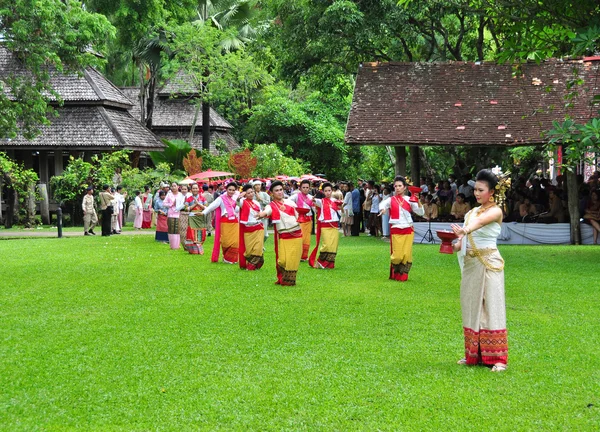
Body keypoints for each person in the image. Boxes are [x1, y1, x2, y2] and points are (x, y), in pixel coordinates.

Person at [451, 169, 508, 372]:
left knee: (492, 305)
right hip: (471, 263)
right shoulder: (470, 212)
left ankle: (498, 358)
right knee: (471, 305)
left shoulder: (496, 211)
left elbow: (480, 223)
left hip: (489, 261)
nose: (476, 193)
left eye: (481, 190)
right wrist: (454, 244)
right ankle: (473, 355)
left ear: (491, 192)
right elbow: (463, 241)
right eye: (475, 189)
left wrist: (465, 230)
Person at [378, 176, 424, 281]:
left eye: (400, 186)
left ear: (405, 188)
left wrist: (418, 201)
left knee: (406, 254)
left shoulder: (409, 200)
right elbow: (382, 204)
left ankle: (402, 276)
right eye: (396, 186)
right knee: (397, 255)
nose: (397, 188)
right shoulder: (391, 199)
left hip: (408, 229)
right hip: (396, 229)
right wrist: (383, 210)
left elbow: (421, 212)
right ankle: (396, 273)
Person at [258, 181, 303, 285]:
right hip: (284, 236)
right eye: (276, 191)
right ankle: (283, 277)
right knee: (282, 260)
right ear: (272, 193)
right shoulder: (271, 205)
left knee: (293, 259)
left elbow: (298, 215)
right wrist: (262, 214)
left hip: (296, 233)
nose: (279, 192)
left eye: (280, 190)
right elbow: (267, 211)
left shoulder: (290, 203)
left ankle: (289, 280)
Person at [202, 182, 240, 264]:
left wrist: (239, 203)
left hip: (234, 222)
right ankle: (226, 258)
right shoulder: (221, 198)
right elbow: (212, 206)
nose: (231, 192)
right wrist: (203, 213)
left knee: (235, 241)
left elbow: (237, 210)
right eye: (230, 190)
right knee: (226, 240)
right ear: (226, 189)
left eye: (233, 190)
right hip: (225, 221)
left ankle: (233, 258)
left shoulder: (235, 199)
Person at [309, 182, 342, 269]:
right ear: (323, 192)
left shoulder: (335, 201)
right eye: (326, 191)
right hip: (325, 225)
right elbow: (313, 201)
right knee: (326, 244)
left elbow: (340, 212)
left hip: (334, 225)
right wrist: (314, 198)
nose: (328, 192)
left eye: (329, 190)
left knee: (334, 245)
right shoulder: (321, 201)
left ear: (332, 191)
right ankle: (321, 262)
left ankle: (330, 263)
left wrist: (341, 207)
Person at [237, 184, 265, 270]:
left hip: (258, 226)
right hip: (248, 228)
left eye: (252, 192)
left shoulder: (256, 203)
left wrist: (260, 215)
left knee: (257, 247)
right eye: (249, 193)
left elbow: (261, 214)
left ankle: (251, 266)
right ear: (245, 194)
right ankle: (258, 261)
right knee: (248, 251)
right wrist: (239, 197)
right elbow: (237, 202)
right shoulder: (243, 202)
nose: (251, 194)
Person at [289, 179, 314, 261]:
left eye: (307, 187)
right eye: (304, 187)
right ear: (300, 188)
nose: (306, 189)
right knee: (300, 237)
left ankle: (304, 256)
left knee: (307, 238)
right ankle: (297, 255)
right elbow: (288, 202)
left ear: (309, 188)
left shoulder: (311, 198)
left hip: (309, 219)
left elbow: (315, 209)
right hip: (300, 219)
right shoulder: (296, 196)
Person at [183, 183, 208, 254]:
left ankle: (199, 249)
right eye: (193, 188)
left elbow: (206, 208)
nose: (195, 190)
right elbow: (186, 209)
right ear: (191, 190)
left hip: (200, 217)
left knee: (200, 232)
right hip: (192, 217)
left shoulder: (203, 198)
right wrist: (194, 204)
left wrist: (199, 204)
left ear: (198, 189)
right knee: (192, 232)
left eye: (196, 188)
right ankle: (193, 250)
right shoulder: (189, 199)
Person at [163, 182, 185, 250]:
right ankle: (172, 245)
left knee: (177, 229)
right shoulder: (169, 195)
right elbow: (164, 203)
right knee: (171, 229)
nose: (173, 187)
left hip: (178, 213)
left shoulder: (181, 195)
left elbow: (184, 204)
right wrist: (172, 204)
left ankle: (177, 245)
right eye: (172, 186)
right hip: (171, 213)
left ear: (178, 187)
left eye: (175, 186)